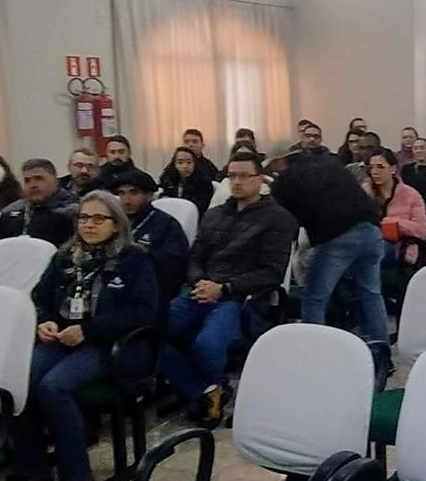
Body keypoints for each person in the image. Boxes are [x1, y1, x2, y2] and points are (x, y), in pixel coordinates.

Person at [3, 191, 159, 481]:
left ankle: (77, 477)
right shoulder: (65, 257)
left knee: (53, 387)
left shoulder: (134, 259)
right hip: (62, 338)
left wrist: (89, 329)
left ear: (116, 224)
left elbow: (144, 312)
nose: (88, 225)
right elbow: (39, 297)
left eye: (98, 218)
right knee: (18, 383)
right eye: (83, 218)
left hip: (107, 343)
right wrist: (44, 320)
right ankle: (34, 470)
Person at [159, 152, 296, 422]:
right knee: (151, 331)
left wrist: (224, 288)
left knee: (206, 345)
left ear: (260, 180)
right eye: (232, 176)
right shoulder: (215, 215)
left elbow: (272, 272)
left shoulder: (278, 218)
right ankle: (205, 389)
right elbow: (194, 256)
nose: (237, 182)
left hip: (241, 297)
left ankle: (204, 392)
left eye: (244, 176)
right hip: (202, 290)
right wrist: (199, 281)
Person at [269, 143, 392, 365]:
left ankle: (314, 358)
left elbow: (283, 222)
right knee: (371, 294)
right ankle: (383, 357)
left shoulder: (283, 182)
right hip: (372, 229)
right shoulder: (329, 163)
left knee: (314, 297)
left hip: (338, 236)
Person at [111, 167, 190, 298]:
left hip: (150, 292)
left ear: (149, 195)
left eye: (134, 193)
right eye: (122, 193)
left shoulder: (167, 225)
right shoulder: (113, 222)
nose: (126, 200)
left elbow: (174, 270)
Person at [363, 147, 426, 270]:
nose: (375, 172)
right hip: (368, 240)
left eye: (380, 167)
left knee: (381, 249)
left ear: (393, 169)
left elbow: (421, 230)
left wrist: (394, 223)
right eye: (371, 168)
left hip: (398, 243)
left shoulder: (410, 194)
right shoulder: (364, 192)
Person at [0, 158, 78, 246]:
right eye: (27, 180)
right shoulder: (11, 212)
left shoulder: (74, 212)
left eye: (39, 179)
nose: (32, 185)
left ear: (55, 181)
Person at [158, 146, 216, 213]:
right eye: (180, 163)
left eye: (189, 162)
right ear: (174, 164)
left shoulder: (204, 182)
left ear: (195, 163)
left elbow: (202, 206)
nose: (185, 166)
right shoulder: (167, 180)